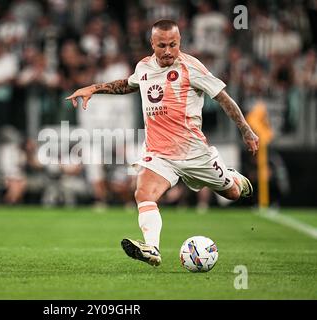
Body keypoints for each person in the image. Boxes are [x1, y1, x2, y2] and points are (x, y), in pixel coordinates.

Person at [66, 19, 259, 267]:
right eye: (162, 45)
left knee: (232, 193)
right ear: (152, 44)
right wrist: (94, 88)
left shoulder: (191, 67)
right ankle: (152, 248)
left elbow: (223, 98)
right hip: (159, 154)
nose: (168, 51)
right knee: (143, 192)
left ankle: (233, 178)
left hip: (195, 154)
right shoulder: (144, 66)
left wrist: (246, 131)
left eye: (173, 45)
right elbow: (129, 84)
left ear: (180, 42)